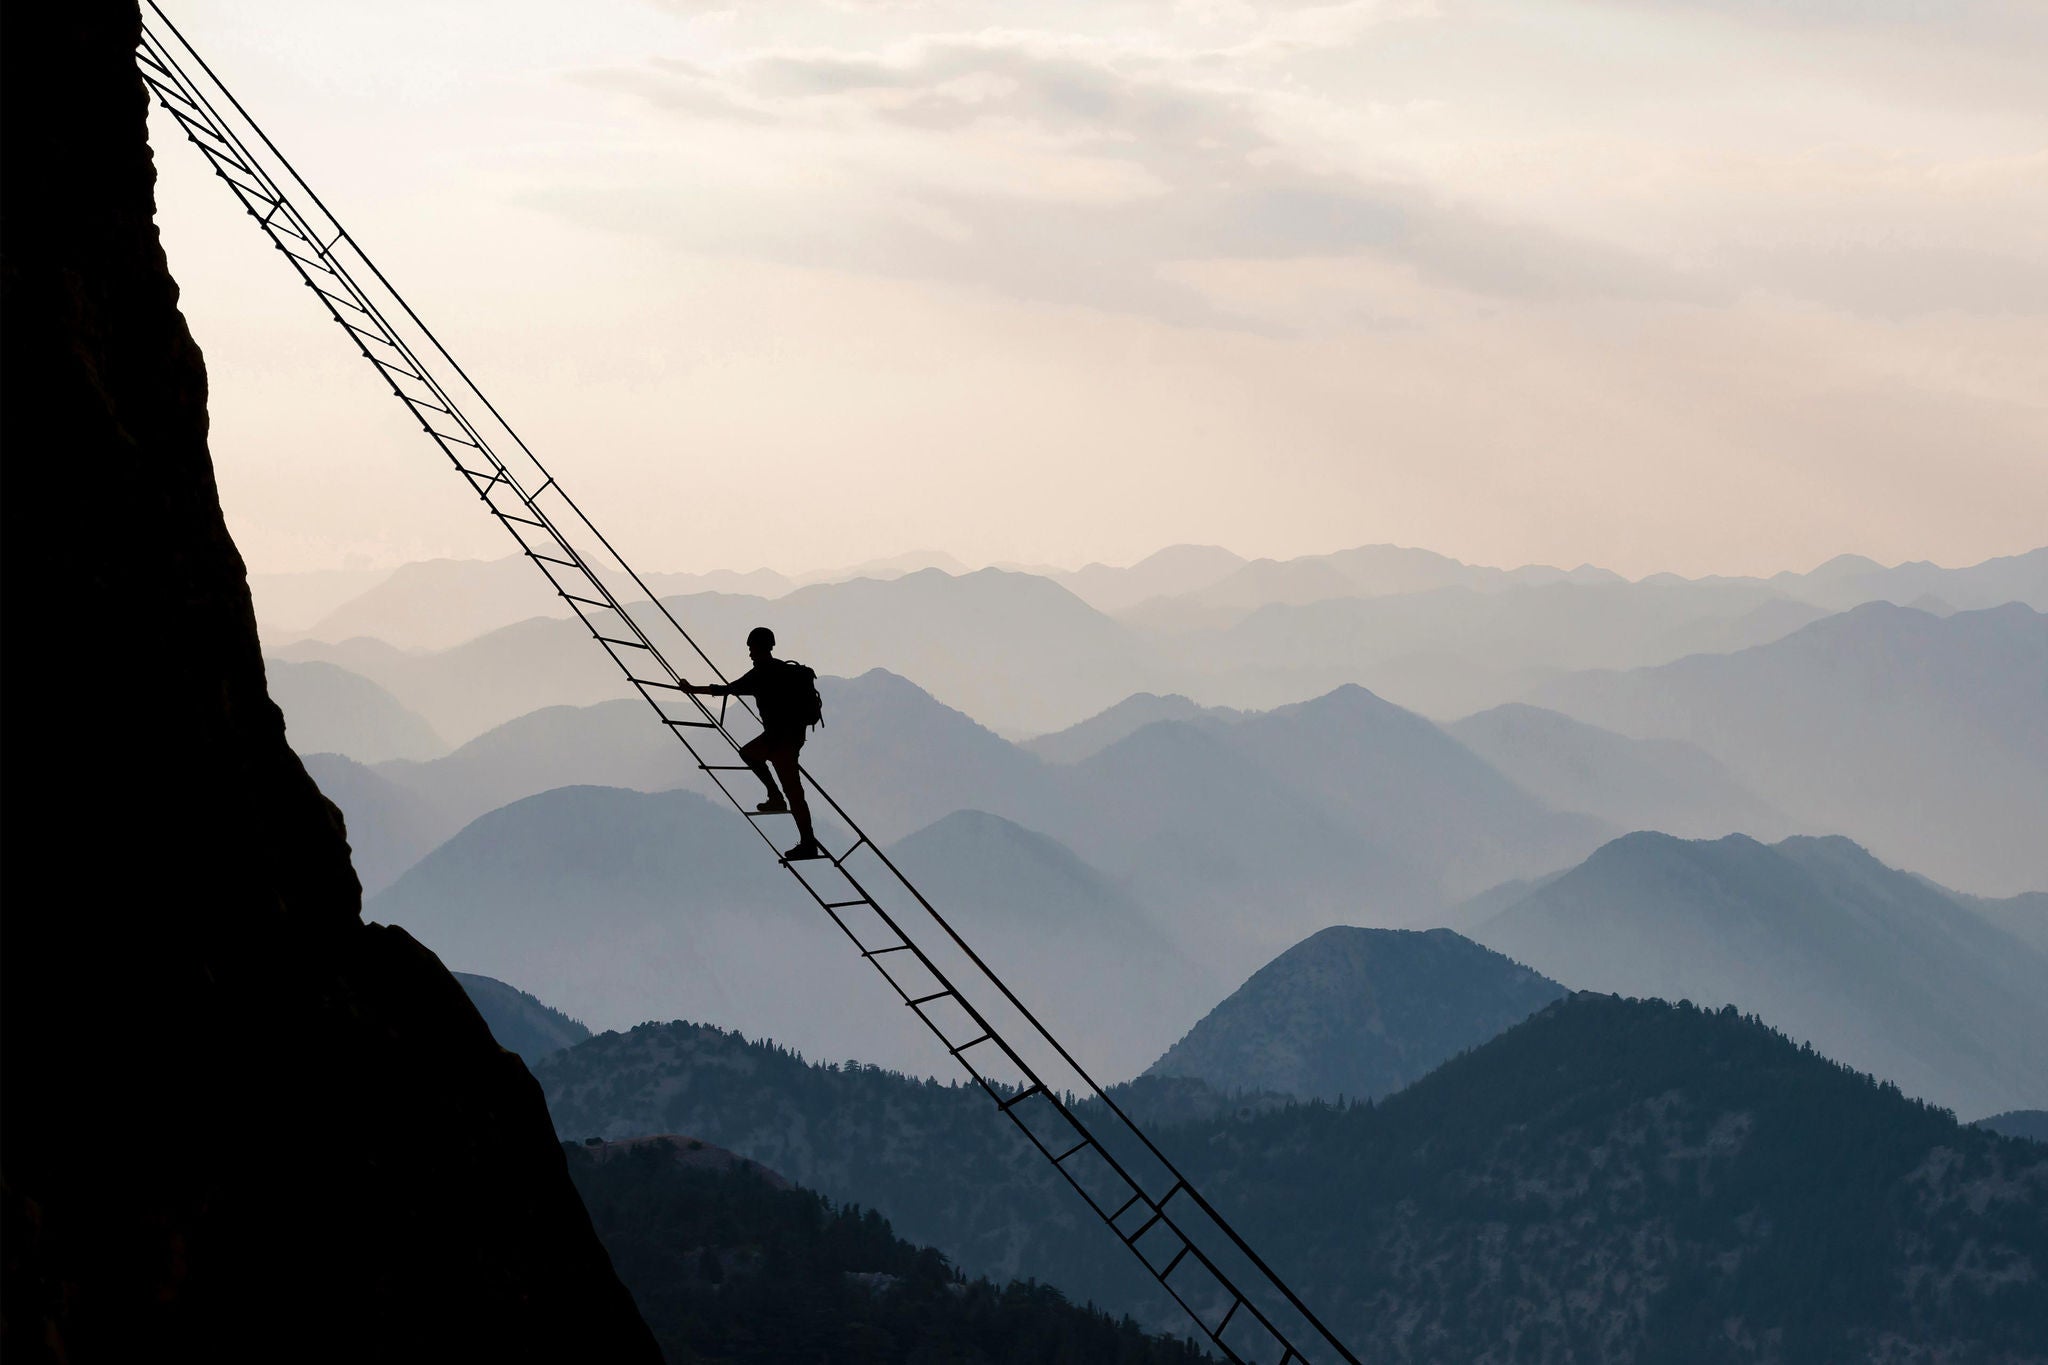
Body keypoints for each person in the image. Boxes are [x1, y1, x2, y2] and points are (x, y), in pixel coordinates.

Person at [682, 627, 822, 860]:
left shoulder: (760, 674)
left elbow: (726, 689)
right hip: (794, 737)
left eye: (751, 648)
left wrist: (691, 690)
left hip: (777, 739)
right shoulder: (785, 670)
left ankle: (795, 826)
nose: (750, 653)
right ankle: (795, 824)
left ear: (759, 647)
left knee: (758, 762)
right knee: (792, 790)